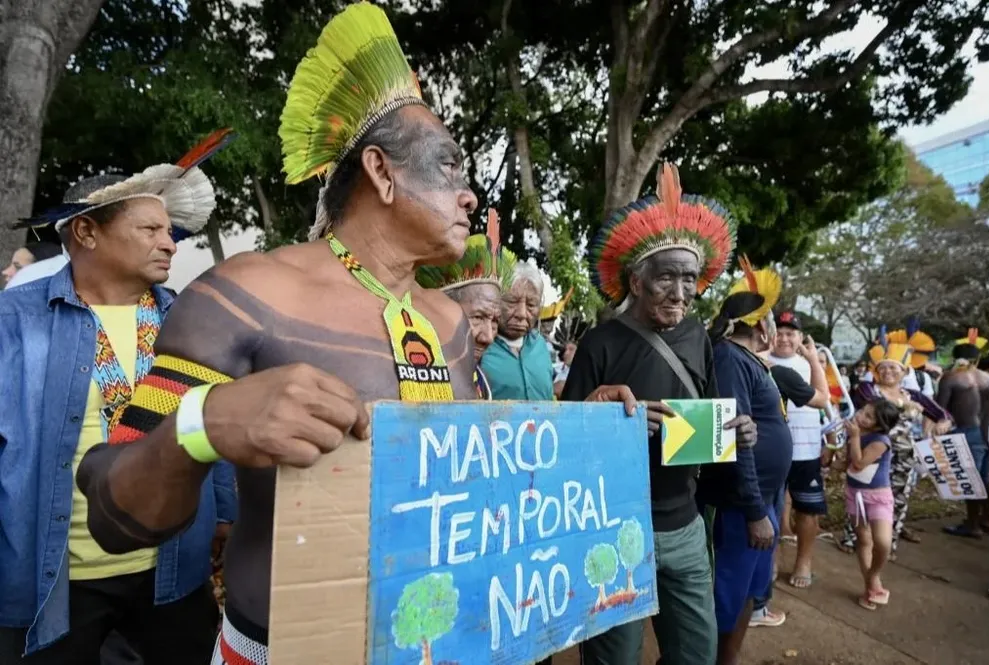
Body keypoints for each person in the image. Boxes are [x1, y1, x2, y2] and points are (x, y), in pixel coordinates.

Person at [72, 7, 636, 663]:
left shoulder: (452, 322)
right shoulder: (246, 294)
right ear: (381, 170)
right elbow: (112, 518)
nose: (470, 196)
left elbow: (484, 479)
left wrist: (578, 430)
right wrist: (204, 423)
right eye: (450, 167)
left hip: (442, 644)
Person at [0, 163, 235, 663]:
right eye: (150, 229)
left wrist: (226, 511)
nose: (170, 243)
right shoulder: (14, 322)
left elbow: (215, 419)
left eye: (169, 231)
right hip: (58, 582)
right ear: (86, 231)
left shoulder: (189, 320)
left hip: (172, 569)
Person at [562, 162, 756, 665]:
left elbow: (711, 414)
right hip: (616, 531)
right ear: (636, 280)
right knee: (614, 660)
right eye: (666, 277)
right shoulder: (599, 344)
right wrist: (602, 417)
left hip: (686, 527)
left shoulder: (696, 335)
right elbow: (565, 441)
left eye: (689, 279)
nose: (680, 291)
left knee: (696, 651)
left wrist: (739, 431)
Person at [698, 258, 792, 664]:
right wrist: (755, 509)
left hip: (761, 500)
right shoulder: (730, 359)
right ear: (759, 323)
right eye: (770, 319)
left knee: (750, 594)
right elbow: (735, 438)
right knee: (725, 598)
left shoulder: (750, 361)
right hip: (740, 507)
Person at [838, 334, 951, 557]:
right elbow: (876, 404)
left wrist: (943, 423)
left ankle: (888, 543)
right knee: (861, 494)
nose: (888, 372)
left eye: (894, 368)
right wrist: (906, 404)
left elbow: (941, 413)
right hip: (871, 453)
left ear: (905, 371)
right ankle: (853, 539)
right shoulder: (867, 389)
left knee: (898, 498)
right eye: (884, 368)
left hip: (903, 456)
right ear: (877, 371)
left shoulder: (915, 394)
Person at [416, 207, 517, 399]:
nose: (488, 336)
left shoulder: (481, 380)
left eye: (495, 321)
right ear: (440, 310)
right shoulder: (410, 375)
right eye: (478, 317)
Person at [768, 311, 829, 589]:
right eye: (779, 332)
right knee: (770, 509)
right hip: (773, 451)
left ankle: (804, 561)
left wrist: (814, 358)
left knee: (807, 510)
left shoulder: (810, 365)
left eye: (790, 333)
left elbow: (826, 401)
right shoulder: (760, 360)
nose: (784, 338)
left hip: (807, 451)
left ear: (800, 338)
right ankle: (771, 561)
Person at [939, 329, 989, 538]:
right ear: (979, 358)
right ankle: (987, 518)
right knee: (984, 478)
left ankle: (973, 525)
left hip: (968, 432)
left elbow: (941, 410)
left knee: (971, 480)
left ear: (955, 357)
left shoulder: (952, 378)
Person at [844, 399, 902, 611]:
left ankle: (873, 574)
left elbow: (859, 463)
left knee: (883, 541)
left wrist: (855, 437)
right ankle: (870, 585)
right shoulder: (856, 432)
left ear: (879, 425)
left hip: (878, 496)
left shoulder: (880, 440)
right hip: (854, 494)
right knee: (864, 539)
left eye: (868, 416)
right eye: (862, 411)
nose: (860, 416)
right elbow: (848, 462)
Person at [480, 261, 554, 400]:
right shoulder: (480, 347)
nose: (521, 314)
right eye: (512, 302)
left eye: (531, 305)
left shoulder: (540, 346)